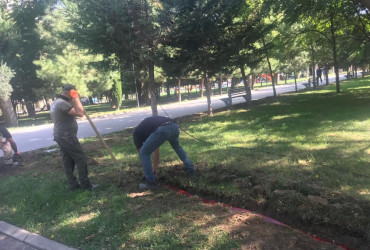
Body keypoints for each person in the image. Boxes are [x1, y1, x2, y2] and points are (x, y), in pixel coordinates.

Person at [50, 84, 99, 191]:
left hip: (60, 135)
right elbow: (80, 113)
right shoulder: (62, 103)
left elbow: (74, 108)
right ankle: (86, 186)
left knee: (68, 161)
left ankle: (73, 185)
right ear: (70, 92)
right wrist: (76, 98)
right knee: (81, 159)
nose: (74, 95)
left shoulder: (56, 102)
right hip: (66, 136)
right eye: (73, 93)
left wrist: (73, 100)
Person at [133, 116, 195, 191]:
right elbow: (156, 149)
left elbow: (142, 154)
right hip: (174, 126)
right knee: (177, 146)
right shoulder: (146, 128)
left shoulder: (136, 135)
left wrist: (152, 169)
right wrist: (154, 168)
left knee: (144, 154)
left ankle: (150, 182)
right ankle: (191, 169)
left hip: (162, 129)